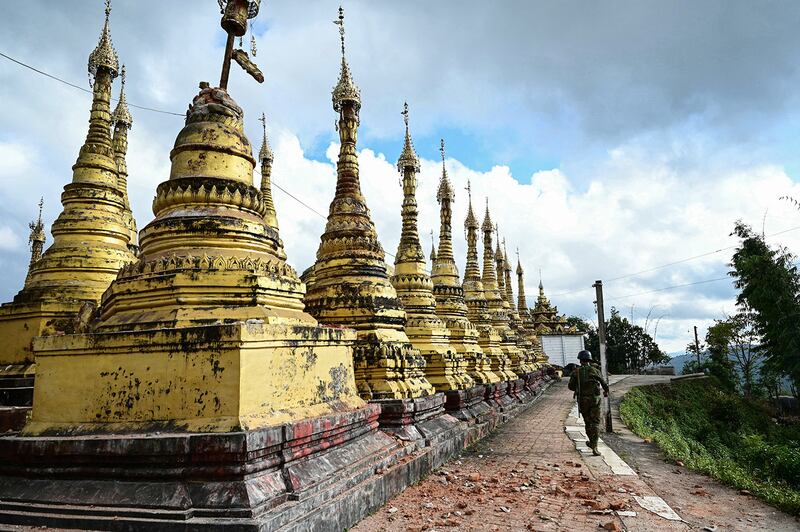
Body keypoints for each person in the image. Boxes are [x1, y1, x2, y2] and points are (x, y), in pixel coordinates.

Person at [567, 350, 609, 456]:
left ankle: (591, 441)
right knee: (595, 423)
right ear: (589, 360)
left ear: (580, 360)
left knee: (588, 422)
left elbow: (570, 386)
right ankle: (594, 445)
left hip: (583, 401)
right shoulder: (595, 371)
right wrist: (605, 392)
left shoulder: (576, 372)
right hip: (595, 400)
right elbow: (604, 384)